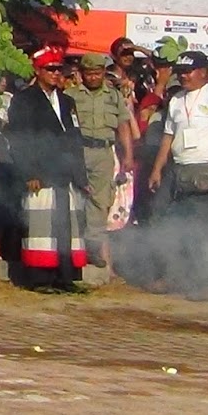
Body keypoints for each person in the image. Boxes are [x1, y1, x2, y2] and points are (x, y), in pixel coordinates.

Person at [146, 51, 208, 291]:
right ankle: (170, 274)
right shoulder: (177, 100)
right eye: (180, 72)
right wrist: (157, 169)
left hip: (207, 168)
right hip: (177, 168)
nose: (183, 76)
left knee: (204, 228)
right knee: (165, 221)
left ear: (204, 72)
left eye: (188, 71)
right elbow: (168, 136)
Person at [6, 47, 88, 291]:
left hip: (65, 171)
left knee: (66, 225)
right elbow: (19, 140)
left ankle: (65, 277)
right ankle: (40, 279)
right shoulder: (23, 100)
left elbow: (75, 137)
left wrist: (81, 176)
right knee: (42, 226)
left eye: (58, 69)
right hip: (39, 171)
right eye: (50, 69)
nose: (55, 73)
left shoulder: (66, 100)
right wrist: (28, 173)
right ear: (37, 70)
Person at [64, 53, 134, 271]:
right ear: (81, 74)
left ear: (104, 73)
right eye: (89, 73)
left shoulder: (113, 96)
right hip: (77, 151)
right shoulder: (70, 95)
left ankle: (93, 248)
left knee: (100, 201)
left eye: (97, 73)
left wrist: (128, 156)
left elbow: (123, 127)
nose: (93, 77)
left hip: (103, 152)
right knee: (73, 198)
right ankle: (72, 246)